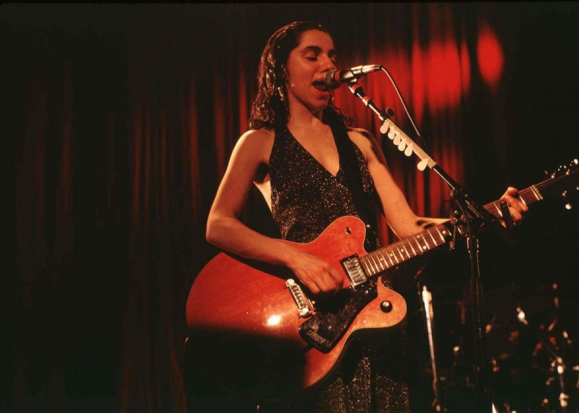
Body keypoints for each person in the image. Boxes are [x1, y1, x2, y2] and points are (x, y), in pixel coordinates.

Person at [200, 20, 528, 413]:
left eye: (332, 56)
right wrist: (295, 257)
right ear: (280, 68)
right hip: (314, 329)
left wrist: (487, 215)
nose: (328, 64)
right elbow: (218, 225)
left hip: (374, 320)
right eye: (312, 55)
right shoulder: (259, 143)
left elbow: (409, 227)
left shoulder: (360, 142)